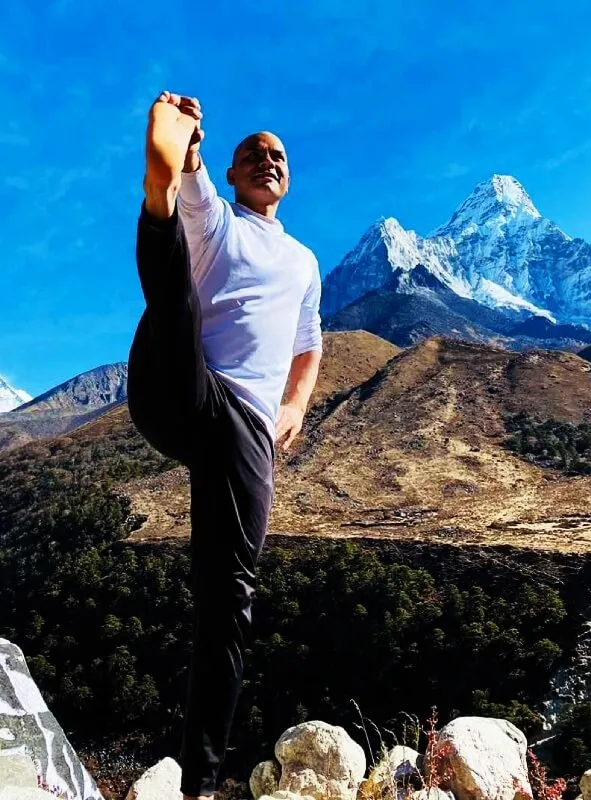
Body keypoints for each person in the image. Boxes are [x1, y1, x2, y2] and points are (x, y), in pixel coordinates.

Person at [126, 91, 323, 800]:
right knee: (175, 280)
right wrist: (189, 154)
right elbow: (201, 193)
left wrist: (294, 406)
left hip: (244, 428)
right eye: (252, 154)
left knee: (228, 598)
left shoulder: (304, 262)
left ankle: (201, 785)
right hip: (180, 383)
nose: (267, 160)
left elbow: (308, 344)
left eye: (277, 155)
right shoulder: (218, 221)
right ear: (233, 173)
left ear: (287, 175)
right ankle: (158, 187)